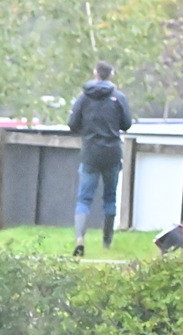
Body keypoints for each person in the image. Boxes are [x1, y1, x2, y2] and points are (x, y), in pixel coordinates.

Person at [67, 60, 133, 256]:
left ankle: (80, 237)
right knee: (110, 197)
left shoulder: (83, 98)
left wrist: (87, 131)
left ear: (95, 73)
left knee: (84, 198)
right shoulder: (118, 97)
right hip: (112, 152)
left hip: (90, 153)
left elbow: (72, 123)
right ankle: (107, 242)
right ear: (110, 75)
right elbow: (127, 124)